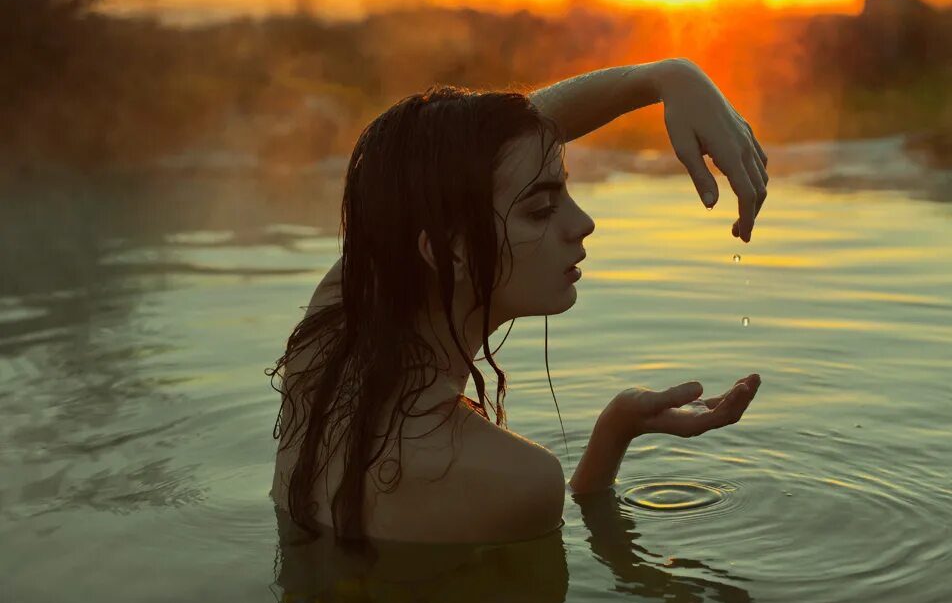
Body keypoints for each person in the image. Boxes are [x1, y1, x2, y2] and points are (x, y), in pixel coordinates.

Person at [268, 57, 768, 546]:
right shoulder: (515, 477)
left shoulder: (326, 342)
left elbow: (496, 143)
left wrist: (665, 78)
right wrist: (664, 77)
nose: (583, 223)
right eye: (541, 208)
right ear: (450, 250)